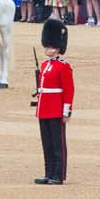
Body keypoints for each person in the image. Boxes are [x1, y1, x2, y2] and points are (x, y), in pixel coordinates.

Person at [33, 18, 74, 184]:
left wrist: (66, 111)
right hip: (44, 108)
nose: (48, 49)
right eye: (47, 46)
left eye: (51, 47)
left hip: (56, 108)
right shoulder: (44, 65)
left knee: (58, 144)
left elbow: (69, 90)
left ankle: (58, 174)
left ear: (58, 48)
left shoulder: (63, 66)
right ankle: (49, 173)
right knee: (47, 144)